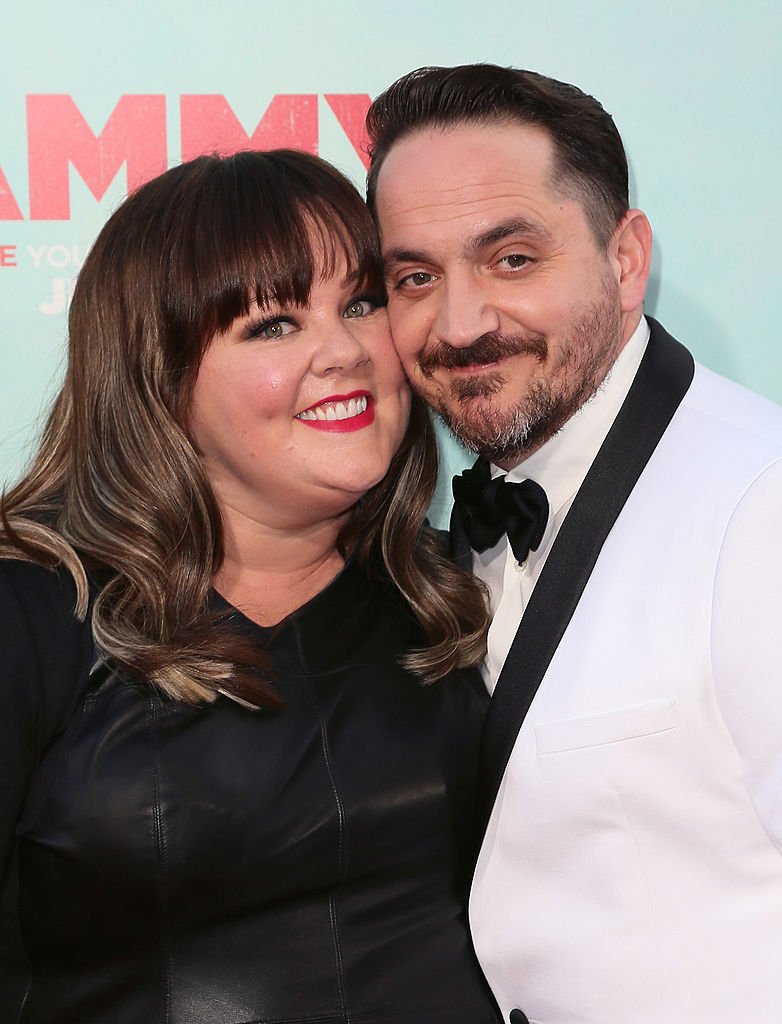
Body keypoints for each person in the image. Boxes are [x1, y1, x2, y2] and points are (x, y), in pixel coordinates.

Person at [0, 148, 502, 1023]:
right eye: (273, 325)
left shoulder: (462, 590)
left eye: (361, 302)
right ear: (159, 375)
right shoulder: (32, 611)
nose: (346, 351)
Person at [365, 64, 782, 1024]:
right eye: (416, 277)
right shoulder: (449, 530)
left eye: (512, 258)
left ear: (626, 259)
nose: (460, 323)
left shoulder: (759, 509)